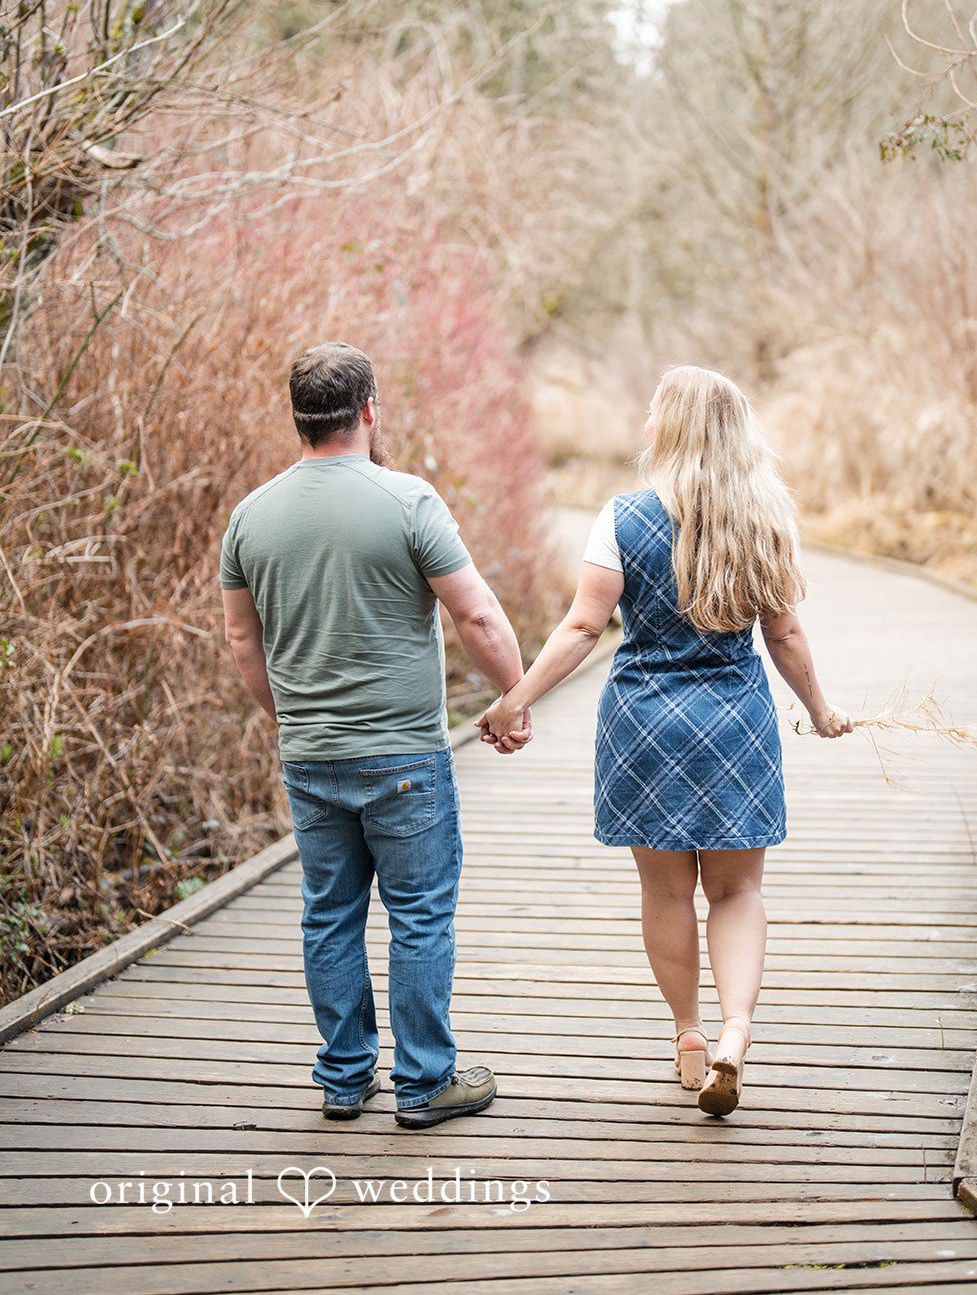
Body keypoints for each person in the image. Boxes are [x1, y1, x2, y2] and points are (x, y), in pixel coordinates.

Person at [479, 364, 852, 1116]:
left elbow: (584, 626)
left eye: (654, 411)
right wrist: (818, 709)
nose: (645, 423)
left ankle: (686, 1032)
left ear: (672, 428)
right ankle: (733, 1036)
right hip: (733, 722)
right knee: (739, 890)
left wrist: (513, 700)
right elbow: (782, 632)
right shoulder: (763, 516)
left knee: (664, 890)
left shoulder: (621, 517)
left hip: (643, 722)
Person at [220, 342, 530, 1128]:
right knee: (418, 914)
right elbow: (478, 614)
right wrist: (514, 696)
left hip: (310, 756)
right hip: (403, 757)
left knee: (328, 913)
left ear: (298, 419)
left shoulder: (250, 517)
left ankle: (343, 1079)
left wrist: (287, 717)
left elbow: (239, 641)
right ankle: (425, 1085)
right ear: (368, 411)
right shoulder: (407, 501)